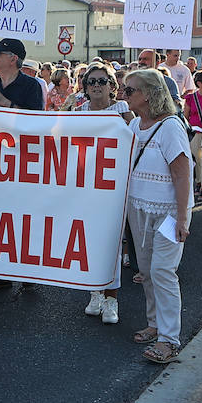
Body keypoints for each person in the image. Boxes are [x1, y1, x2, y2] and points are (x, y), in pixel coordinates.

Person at [121, 69, 192, 364]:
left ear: (148, 94)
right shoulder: (136, 125)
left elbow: (182, 173)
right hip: (138, 208)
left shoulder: (171, 127)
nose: (124, 95)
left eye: (130, 91)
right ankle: (154, 323)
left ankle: (169, 339)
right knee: (148, 270)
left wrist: (182, 217)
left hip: (166, 213)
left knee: (163, 272)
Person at [0, 38, 43, 292]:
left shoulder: (31, 86)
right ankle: (1, 272)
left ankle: (29, 271)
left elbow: (35, 122)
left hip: (23, 160)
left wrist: (4, 102)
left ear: (13, 58)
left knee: (23, 217)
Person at [78, 63, 133, 324]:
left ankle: (112, 298)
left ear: (113, 86)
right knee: (89, 241)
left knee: (112, 242)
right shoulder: (78, 112)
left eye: (102, 81)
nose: (97, 86)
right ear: (85, 87)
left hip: (114, 186)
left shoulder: (123, 111)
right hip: (87, 186)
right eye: (92, 82)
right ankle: (95, 292)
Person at [184, 71, 202, 202]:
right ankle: (198, 182)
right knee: (197, 159)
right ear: (199, 83)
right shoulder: (191, 98)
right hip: (195, 131)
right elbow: (186, 116)